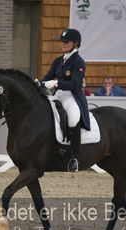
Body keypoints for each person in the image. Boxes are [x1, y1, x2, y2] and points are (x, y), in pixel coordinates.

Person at [41, 28, 90, 172]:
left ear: (75, 43)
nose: (63, 44)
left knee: (73, 119)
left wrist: (56, 83)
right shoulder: (58, 60)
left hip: (72, 96)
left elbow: (75, 83)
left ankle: (75, 157)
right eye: (62, 41)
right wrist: (38, 82)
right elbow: (48, 77)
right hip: (57, 95)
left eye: (66, 42)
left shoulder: (79, 62)